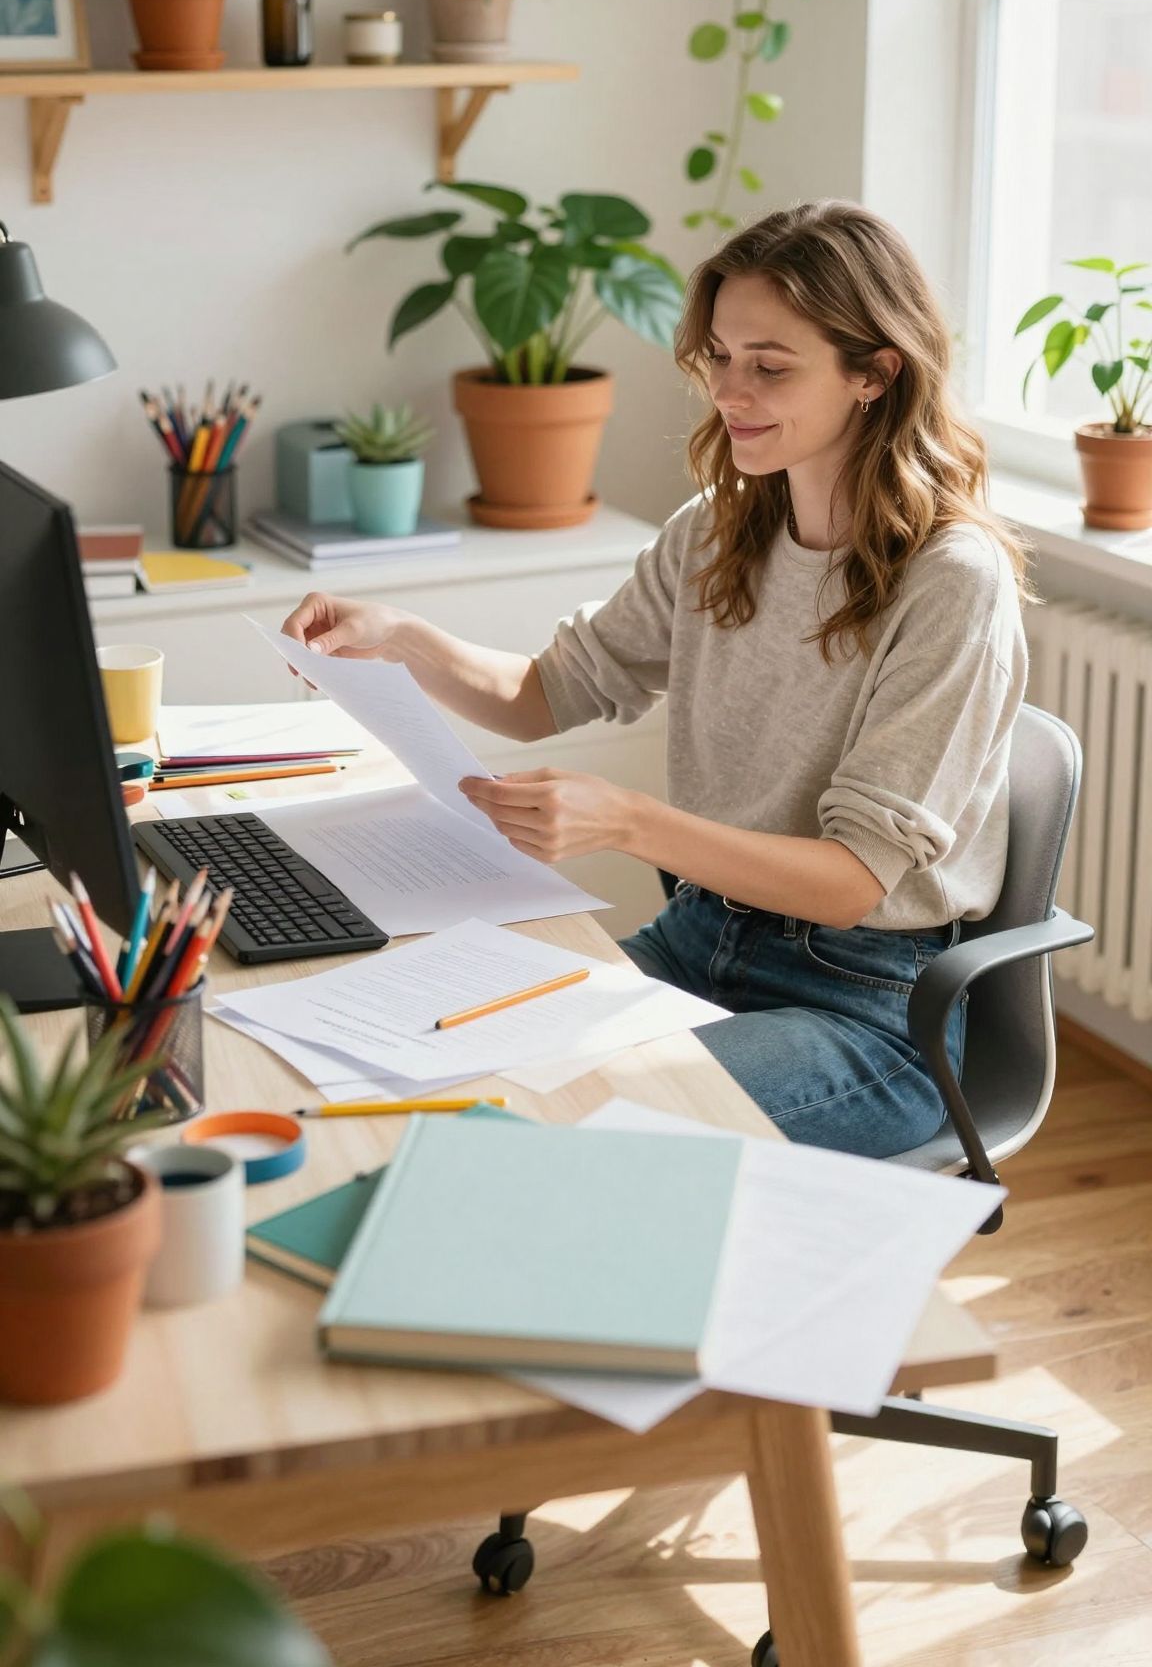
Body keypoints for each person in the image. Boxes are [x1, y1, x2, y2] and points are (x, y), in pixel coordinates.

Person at [282, 200, 1033, 1161]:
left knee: (558, 1128)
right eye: (719, 356)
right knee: (433, 1066)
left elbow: (853, 884)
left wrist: (629, 821)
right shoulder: (720, 528)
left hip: (865, 1009)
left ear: (874, 375)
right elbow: (546, 694)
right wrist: (404, 641)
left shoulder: (952, 582)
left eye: (770, 367)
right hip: (696, 941)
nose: (729, 391)